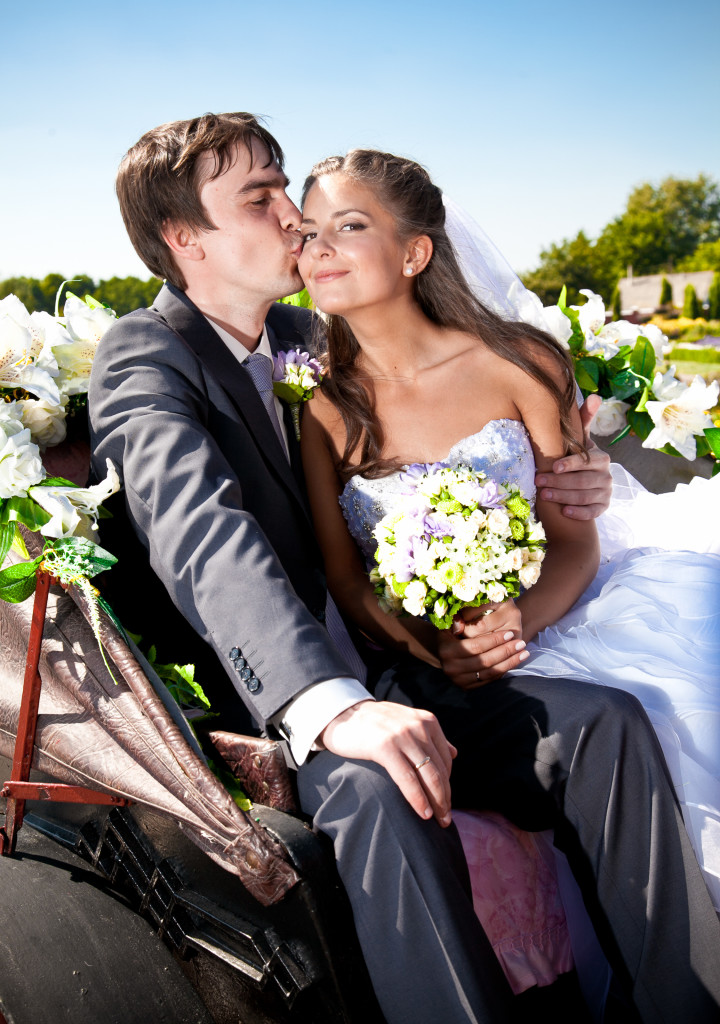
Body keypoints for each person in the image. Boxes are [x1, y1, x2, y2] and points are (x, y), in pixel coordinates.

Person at [84, 112, 691, 1024]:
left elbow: (450, 387)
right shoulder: (146, 353)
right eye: (260, 197)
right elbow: (200, 531)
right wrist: (328, 706)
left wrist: (571, 475)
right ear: (184, 238)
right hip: (287, 705)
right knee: (378, 789)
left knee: (605, 723)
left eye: (287, 186)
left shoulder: (308, 333)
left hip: (408, 660)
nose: (293, 215)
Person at [294, 147, 720, 1022]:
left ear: (415, 254)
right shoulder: (328, 410)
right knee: (597, 717)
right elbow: (346, 580)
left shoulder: (519, 362)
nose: (318, 249)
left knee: (620, 711)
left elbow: (573, 540)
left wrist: (514, 623)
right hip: (424, 672)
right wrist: (438, 649)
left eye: (349, 226)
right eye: (307, 233)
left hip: (547, 623)